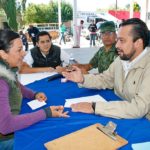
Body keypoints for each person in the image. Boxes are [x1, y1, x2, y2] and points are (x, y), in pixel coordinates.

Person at [62, 18, 150, 120]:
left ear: (138, 42)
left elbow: (138, 108)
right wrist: (83, 79)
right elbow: (105, 79)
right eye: (118, 40)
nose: (117, 45)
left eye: (122, 41)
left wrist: (94, 107)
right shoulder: (121, 60)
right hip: (124, 114)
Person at [0, 29, 69, 150]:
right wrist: (46, 113)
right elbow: (6, 125)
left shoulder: (6, 68)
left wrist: (33, 94)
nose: (24, 53)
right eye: (19, 50)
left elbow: (16, 85)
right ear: (3, 54)